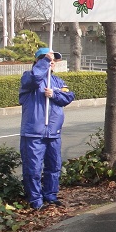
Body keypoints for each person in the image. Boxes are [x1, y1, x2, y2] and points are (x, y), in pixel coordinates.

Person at [19, 48, 75, 210]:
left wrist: (54, 95)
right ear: (37, 61)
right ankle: (36, 200)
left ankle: (50, 195)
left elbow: (69, 96)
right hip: (33, 133)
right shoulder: (28, 78)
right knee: (33, 169)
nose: (51, 62)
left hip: (53, 133)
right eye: (46, 59)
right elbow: (36, 77)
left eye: (53, 59)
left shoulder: (57, 81)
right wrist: (44, 63)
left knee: (54, 166)